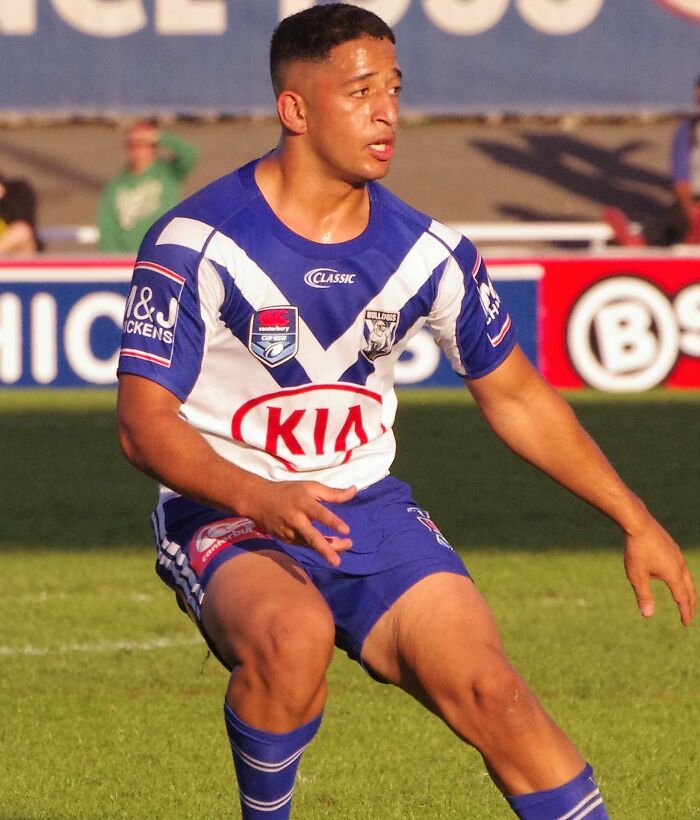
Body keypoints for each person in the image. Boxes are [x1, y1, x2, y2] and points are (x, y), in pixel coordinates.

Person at [116, 5, 696, 819]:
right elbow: (143, 423)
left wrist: (634, 518)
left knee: (495, 692)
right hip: (228, 510)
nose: (387, 111)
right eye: (360, 91)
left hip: (368, 510)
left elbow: (519, 396)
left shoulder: (434, 253)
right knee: (294, 639)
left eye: (393, 88)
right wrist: (264, 497)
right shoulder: (195, 241)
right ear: (295, 109)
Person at [604, 75, 700, 246]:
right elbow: (681, 182)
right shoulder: (686, 131)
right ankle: (637, 244)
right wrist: (692, 213)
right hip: (695, 203)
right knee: (674, 217)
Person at [97, 121, 199, 254]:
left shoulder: (168, 173)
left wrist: (159, 137)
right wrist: (115, 259)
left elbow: (190, 154)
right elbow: (107, 230)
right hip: (129, 258)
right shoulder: (115, 186)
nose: (136, 150)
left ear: (153, 147)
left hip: (163, 253)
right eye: (131, 145)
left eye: (141, 144)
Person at [0, 173, 42, 255]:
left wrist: (3, 198)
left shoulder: (17, 190)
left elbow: (24, 228)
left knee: (20, 231)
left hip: (16, 254)